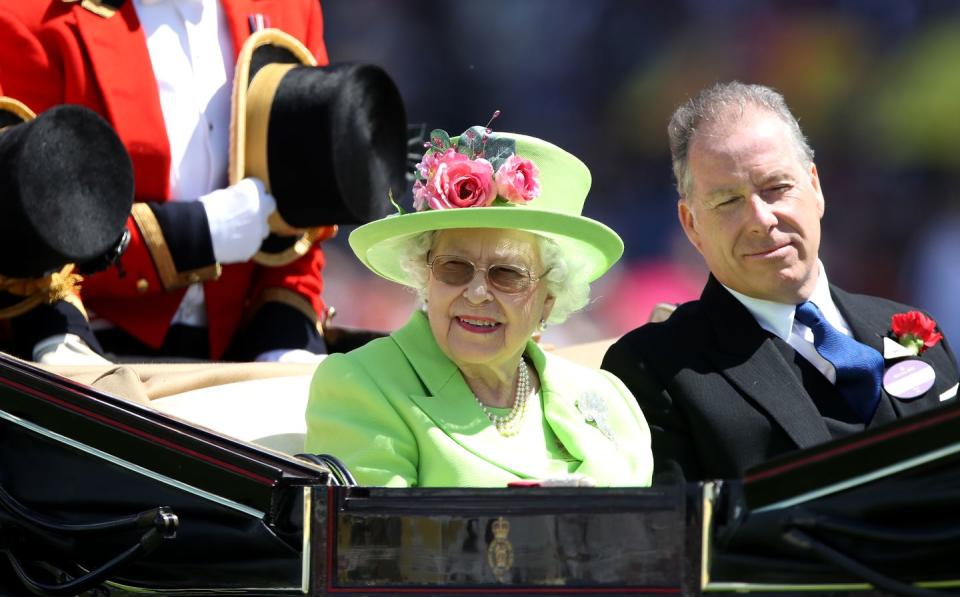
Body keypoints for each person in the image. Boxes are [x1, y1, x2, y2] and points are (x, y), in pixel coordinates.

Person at [602, 81, 960, 485]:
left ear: (815, 187)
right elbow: (683, 542)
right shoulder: (654, 370)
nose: (761, 219)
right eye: (728, 201)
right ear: (691, 225)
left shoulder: (910, 326)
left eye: (776, 188)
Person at [305, 125, 653, 487]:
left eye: (506, 274)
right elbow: (377, 538)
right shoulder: (362, 384)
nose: (476, 293)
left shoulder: (608, 399)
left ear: (549, 299)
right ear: (426, 278)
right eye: (454, 267)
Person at [0, 0, 335, 362]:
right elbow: (22, 224)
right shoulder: (28, 12)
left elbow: (301, 219)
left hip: (241, 354)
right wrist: (195, 234)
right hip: (85, 342)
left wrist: (286, 334)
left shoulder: (292, 9)